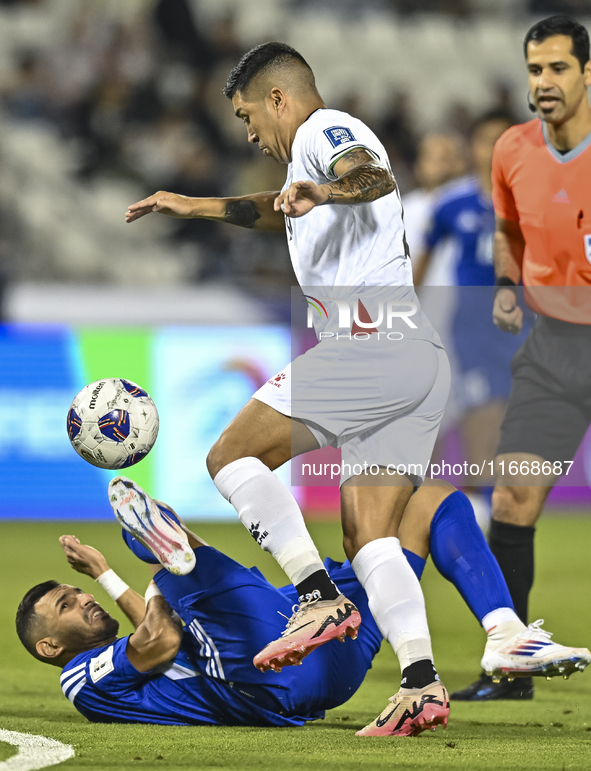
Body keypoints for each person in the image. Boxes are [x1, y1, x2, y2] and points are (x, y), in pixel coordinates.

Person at [126, 42, 452, 734]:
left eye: (248, 116)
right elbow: (280, 207)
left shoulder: (323, 132)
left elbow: (368, 178)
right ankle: (421, 679)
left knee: (229, 456)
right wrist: (195, 206)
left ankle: (315, 594)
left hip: (370, 342)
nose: (249, 134)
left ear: (277, 97)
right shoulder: (304, 166)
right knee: (369, 538)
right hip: (415, 353)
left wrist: (328, 187)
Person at [16, 478, 589, 734]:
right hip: (257, 674)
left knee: (429, 504)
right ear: (49, 645)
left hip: (323, 672)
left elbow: (149, 642)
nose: (85, 601)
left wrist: (106, 575)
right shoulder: (78, 679)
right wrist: (148, 579)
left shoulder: (118, 661)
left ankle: (503, 631)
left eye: (79, 593)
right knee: (164, 547)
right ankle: (166, 545)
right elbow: (160, 640)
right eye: (68, 605)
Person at [454, 15, 591, 701]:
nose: (543, 82)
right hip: (552, 349)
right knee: (510, 497)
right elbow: (508, 226)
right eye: (534, 69)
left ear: (587, 73)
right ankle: (511, 668)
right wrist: (509, 285)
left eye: (557, 68)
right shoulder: (509, 148)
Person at [415, 111, 532, 534]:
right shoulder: (452, 204)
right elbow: (419, 270)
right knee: (482, 430)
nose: (496, 149)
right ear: (474, 148)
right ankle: (465, 525)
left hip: (526, 334)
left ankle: (473, 523)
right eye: (487, 140)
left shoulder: (540, 201)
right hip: (470, 336)